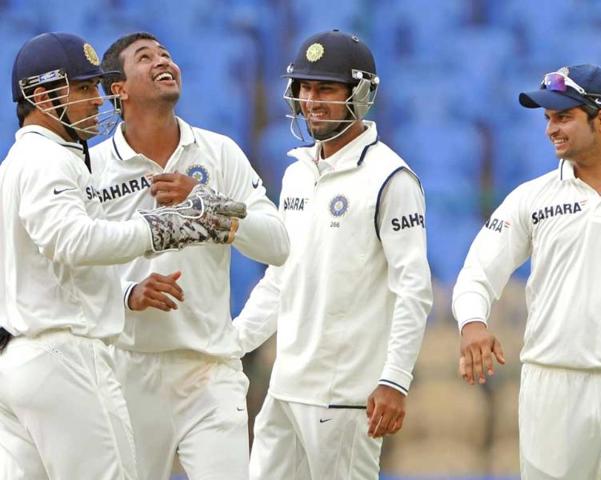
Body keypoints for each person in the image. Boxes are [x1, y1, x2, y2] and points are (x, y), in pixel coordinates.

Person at [0, 32, 248, 480]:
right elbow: (70, 241)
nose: (96, 101)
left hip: (18, 359)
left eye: (95, 88)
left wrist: (125, 291)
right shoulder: (48, 158)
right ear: (41, 96)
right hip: (64, 358)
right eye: (80, 90)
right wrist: (160, 229)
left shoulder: (17, 160)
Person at [233, 30, 433, 480]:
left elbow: (413, 290)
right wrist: (231, 345)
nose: (311, 100)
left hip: (344, 395)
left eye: (326, 88)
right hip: (285, 388)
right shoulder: (297, 174)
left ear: (360, 94)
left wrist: (395, 379)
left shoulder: (391, 179)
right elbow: (280, 278)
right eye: (304, 87)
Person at [90, 32, 289, 480]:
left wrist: (209, 205)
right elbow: (67, 264)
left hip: (209, 369)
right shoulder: (93, 167)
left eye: (166, 54)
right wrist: (128, 293)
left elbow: (278, 244)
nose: (164, 62)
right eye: (145, 58)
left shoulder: (218, 153)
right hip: (127, 368)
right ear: (117, 89)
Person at [452, 64, 601, 479]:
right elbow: (477, 272)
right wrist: (472, 324)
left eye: (563, 117)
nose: (550, 129)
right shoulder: (530, 198)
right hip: (553, 388)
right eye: (548, 119)